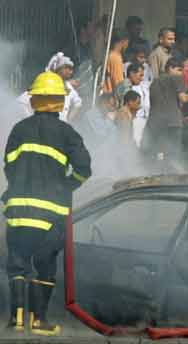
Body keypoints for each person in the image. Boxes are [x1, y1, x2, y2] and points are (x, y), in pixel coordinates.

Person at [3, 71, 91, 336]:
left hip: (18, 210)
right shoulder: (67, 133)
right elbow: (84, 169)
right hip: (50, 212)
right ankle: (39, 321)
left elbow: (9, 166)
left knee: (18, 263)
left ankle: (16, 320)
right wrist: (66, 185)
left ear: (34, 100)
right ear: (60, 102)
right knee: (44, 265)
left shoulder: (19, 129)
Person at [144, 58, 188, 171]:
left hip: (154, 123)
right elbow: (184, 98)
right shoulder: (176, 78)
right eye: (179, 69)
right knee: (173, 155)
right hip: (172, 123)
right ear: (170, 68)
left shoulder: (154, 82)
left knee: (153, 154)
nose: (181, 73)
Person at [17, 52, 82, 123]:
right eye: (66, 68)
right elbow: (21, 102)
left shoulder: (67, 86)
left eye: (71, 69)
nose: (70, 72)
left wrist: (68, 121)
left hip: (60, 129)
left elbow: (78, 103)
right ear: (57, 68)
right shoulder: (45, 81)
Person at [115, 63, 150, 147]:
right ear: (131, 73)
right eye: (140, 75)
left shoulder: (127, 84)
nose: (142, 79)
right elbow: (126, 106)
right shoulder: (126, 86)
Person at [103, 30, 129, 96]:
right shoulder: (115, 58)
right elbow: (118, 83)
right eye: (127, 42)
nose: (127, 45)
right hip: (114, 97)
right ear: (123, 41)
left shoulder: (111, 55)